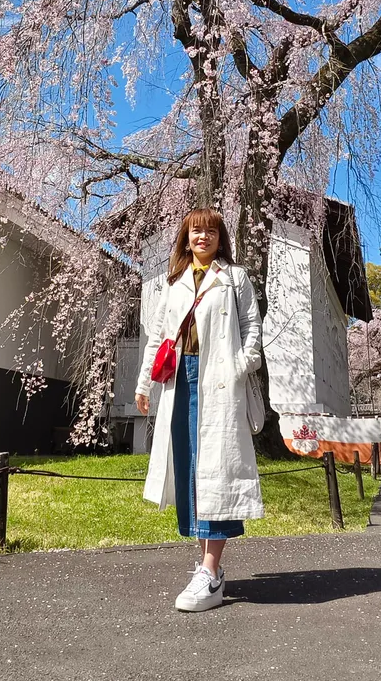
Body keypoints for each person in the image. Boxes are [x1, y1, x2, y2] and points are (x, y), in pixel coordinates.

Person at [135, 208, 263, 612]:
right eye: (195, 231)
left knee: (218, 469)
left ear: (220, 238)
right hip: (180, 381)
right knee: (191, 468)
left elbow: (252, 329)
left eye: (210, 231)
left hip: (219, 380)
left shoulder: (234, 277)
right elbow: (158, 336)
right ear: (185, 238)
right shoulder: (173, 283)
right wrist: (144, 384)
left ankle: (210, 570)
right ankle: (206, 567)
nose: (202, 237)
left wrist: (239, 365)